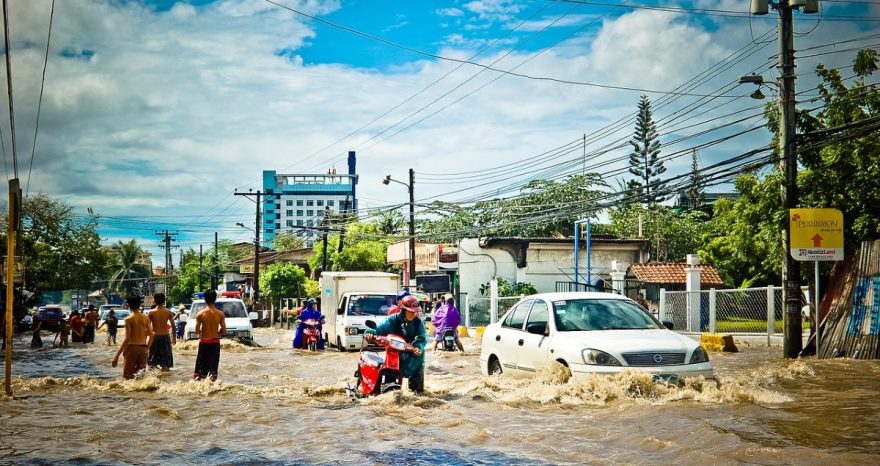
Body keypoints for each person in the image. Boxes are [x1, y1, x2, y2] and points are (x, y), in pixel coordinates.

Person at [364, 295, 426, 393]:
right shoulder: (393, 320)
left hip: (413, 355)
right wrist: (370, 333)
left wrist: (418, 347)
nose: (413, 314)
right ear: (404, 310)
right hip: (396, 353)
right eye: (411, 311)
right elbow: (380, 329)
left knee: (418, 391)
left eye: (415, 312)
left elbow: (422, 338)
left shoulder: (418, 323)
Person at [112, 294, 154, 379]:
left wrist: (117, 355)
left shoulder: (128, 319)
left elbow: (127, 339)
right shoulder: (145, 318)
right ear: (139, 304)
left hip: (132, 348)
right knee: (140, 377)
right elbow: (152, 335)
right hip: (143, 348)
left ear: (129, 304)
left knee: (128, 377)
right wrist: (147, 348)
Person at [193, 289, 226, 381]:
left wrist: (203, 330)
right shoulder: (220, 314)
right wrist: (216, 332)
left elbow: (196, 331)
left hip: (204, 342)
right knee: (213, 370)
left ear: (205, 299)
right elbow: (224, 331)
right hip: (215, 343)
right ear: (215, 299)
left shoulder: (200, 314)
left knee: (199, 372)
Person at [147, 293, 176, 371]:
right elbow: (173, 326)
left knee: (152, 363)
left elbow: (147, 327)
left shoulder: (151, 312)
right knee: (165, 363)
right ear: (164, 301)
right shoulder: (168, 312)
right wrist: (174, 339)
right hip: (165, 337)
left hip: (155, 337)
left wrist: (147, 339)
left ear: (154, 301)